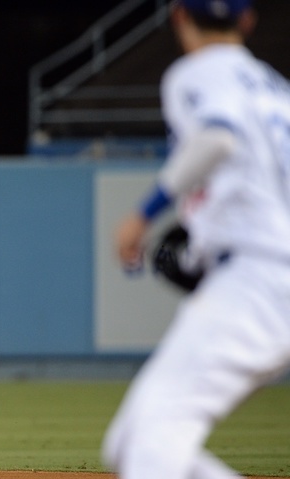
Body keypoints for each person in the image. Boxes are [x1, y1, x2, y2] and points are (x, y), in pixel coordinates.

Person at [101, 1, 290, 478]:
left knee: (151, 446)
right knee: (128, 443)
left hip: (257, 277)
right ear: (248, 20)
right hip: (263, 272)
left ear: (179, 16)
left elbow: (218, 138)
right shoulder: (275, 88)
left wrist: (143, 214)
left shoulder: (196, 73)